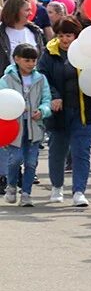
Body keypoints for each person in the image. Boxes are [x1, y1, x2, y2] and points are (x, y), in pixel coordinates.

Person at [39, 18, 91, 207]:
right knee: (57, 151)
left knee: (81, 151)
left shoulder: (88, 52)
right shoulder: (49, 54)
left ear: (76, 35)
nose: (65, 39)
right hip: (59, 112)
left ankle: (79, 191)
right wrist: (54, 96)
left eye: (69, 35)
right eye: (61, 35)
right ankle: (57, 187)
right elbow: (43, 78)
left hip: (85, 111)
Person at [2, 43, 51, 206]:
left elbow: (47, 100)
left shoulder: (41, 78)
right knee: (15, 159)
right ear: (16, 59)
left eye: (33, 60)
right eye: (27, 60)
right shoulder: (6, 79)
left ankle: (27, 194)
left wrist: (43, 111)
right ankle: (11, 186)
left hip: (34, 126)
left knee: (31, 162)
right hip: (14, 127)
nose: (30, 64)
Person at [0, 0, 46, 73]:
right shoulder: (1, 33)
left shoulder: (35, 32)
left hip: (33, 82)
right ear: (15, 11)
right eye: (27, 10)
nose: (31, 13)